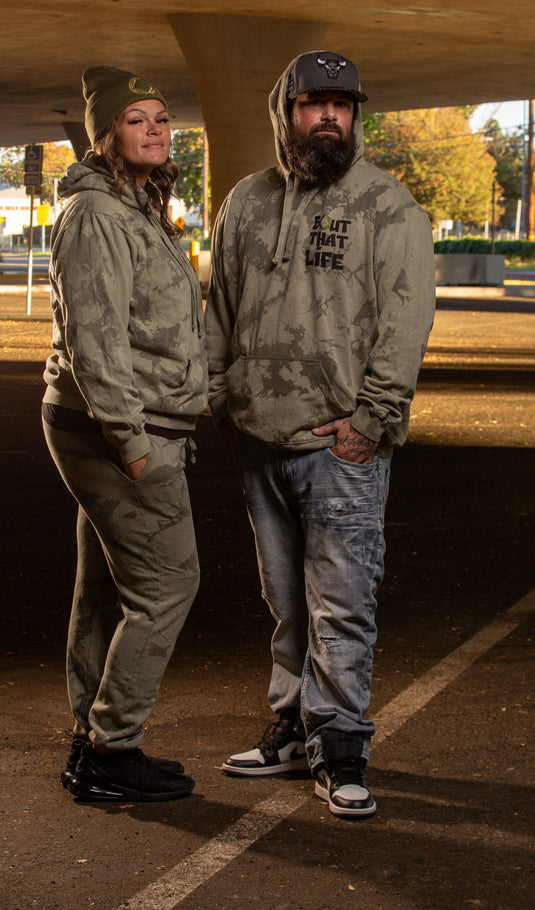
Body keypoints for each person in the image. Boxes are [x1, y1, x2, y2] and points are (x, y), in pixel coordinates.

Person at [205, 50, 435, 819]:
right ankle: (291, 723)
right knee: (287, 603)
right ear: (286, 111)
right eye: (313, 104)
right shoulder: (245, 201)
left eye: (342, 104)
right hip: (260, 445)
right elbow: (220, 311)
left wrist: (369, 423)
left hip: (340, 449)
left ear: (356, 116)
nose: (328, 116)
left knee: (340, 603)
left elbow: (405, 327)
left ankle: (339, 750)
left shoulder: (387, 207)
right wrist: (220, 399)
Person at [42, 65, 208, 802]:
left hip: (117, 421)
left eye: (161, 118)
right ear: (105, 133)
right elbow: (96, 341)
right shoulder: (99, 216)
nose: (153, 128)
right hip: (114, 427)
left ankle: (91, 738)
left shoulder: (134, 204)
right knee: (169, 582)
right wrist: (134, 443)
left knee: (106, 592)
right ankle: (111, 749)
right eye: (136, 119)